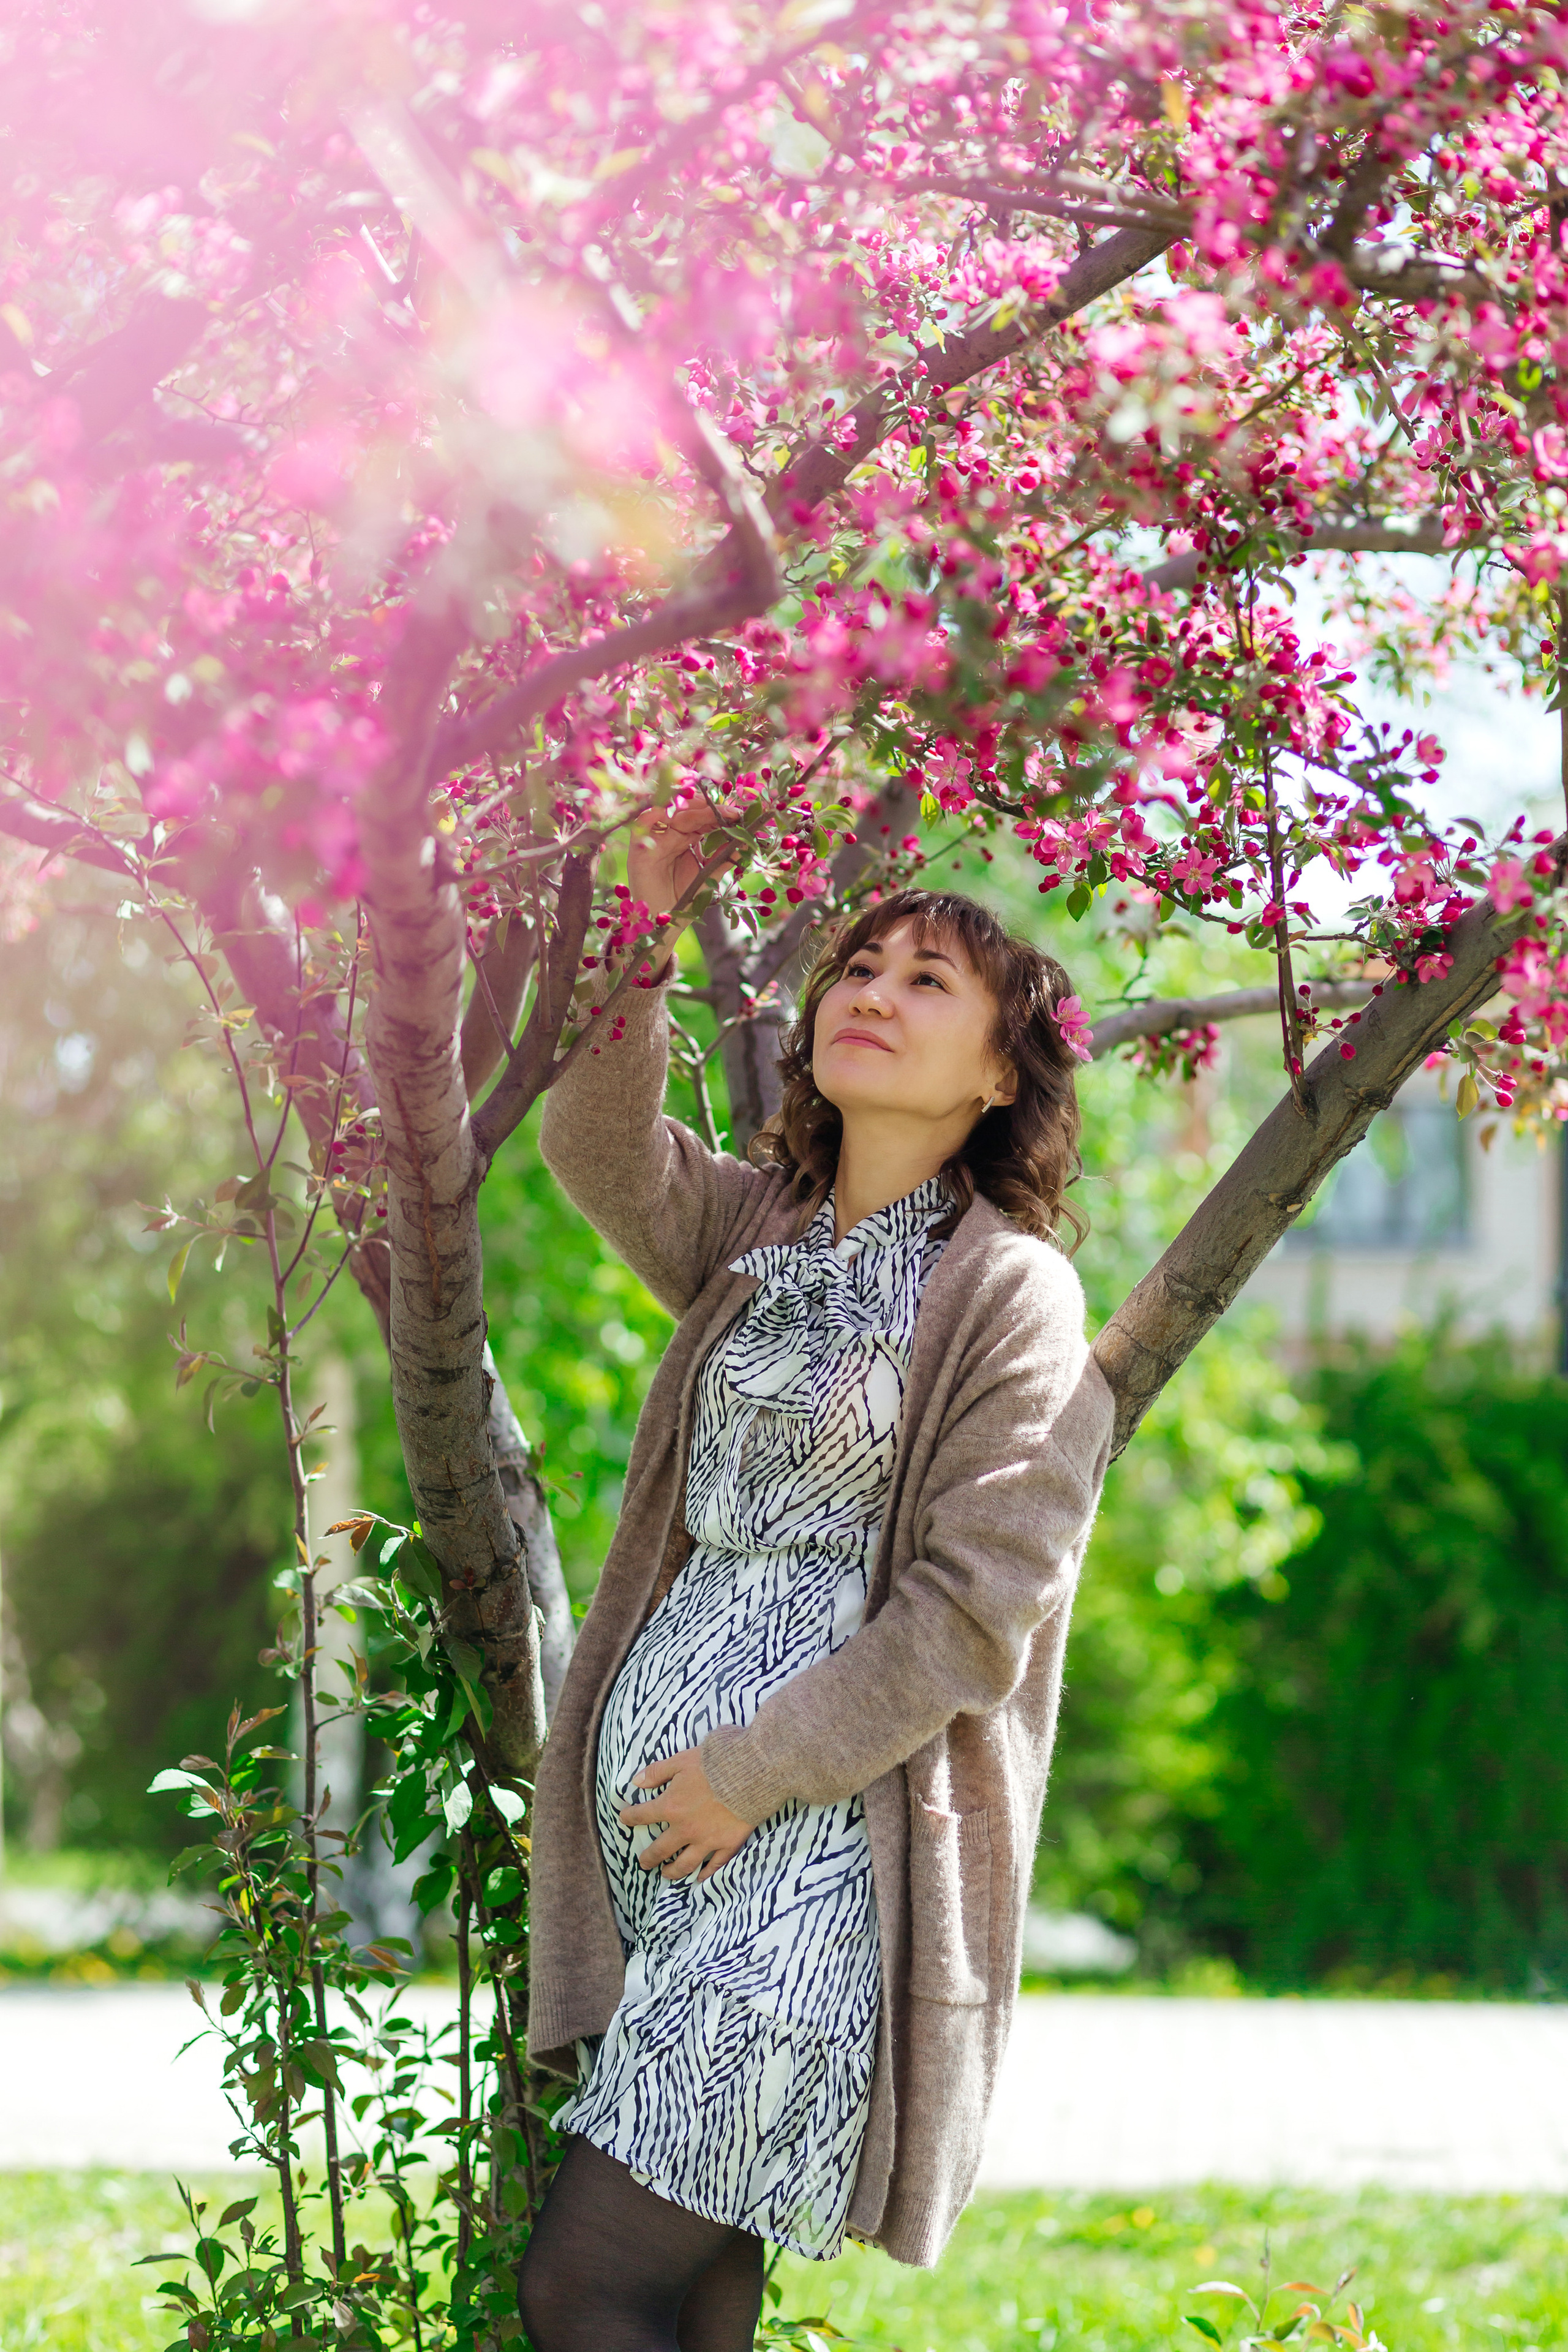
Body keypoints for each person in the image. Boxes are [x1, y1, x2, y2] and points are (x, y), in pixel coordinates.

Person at [517, 805, 1115, 2352]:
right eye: (858, 963)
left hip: (817, 1850)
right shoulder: (753, 1230)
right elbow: (592, 1145)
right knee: (696, 2297)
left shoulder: (1008, 1293)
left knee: (583, 2286)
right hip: (672, 1851)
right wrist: (636, 926)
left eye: (929, 980)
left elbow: (970, 1619)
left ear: (997, 1073)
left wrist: (750, 1769)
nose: (871, 988)